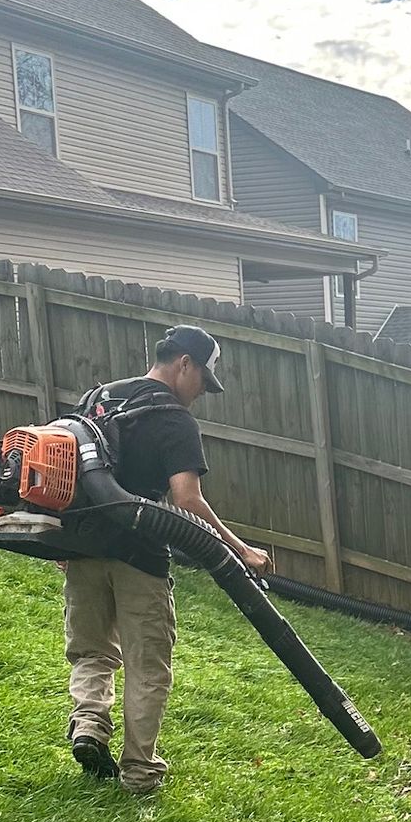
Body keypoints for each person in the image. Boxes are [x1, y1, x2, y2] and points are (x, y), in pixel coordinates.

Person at [63, 325, 270, 796]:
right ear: (184, 364)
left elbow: (72, 472)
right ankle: (139, 773)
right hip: (140, 557)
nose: (201, 394)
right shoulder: (175, 419)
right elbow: (187, 498)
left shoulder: (99, 399)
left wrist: (64, 543)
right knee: (148, 667)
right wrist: (240, 549)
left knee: (91, 650)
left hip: (83, 549)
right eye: (203, 382)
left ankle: (89, 724)